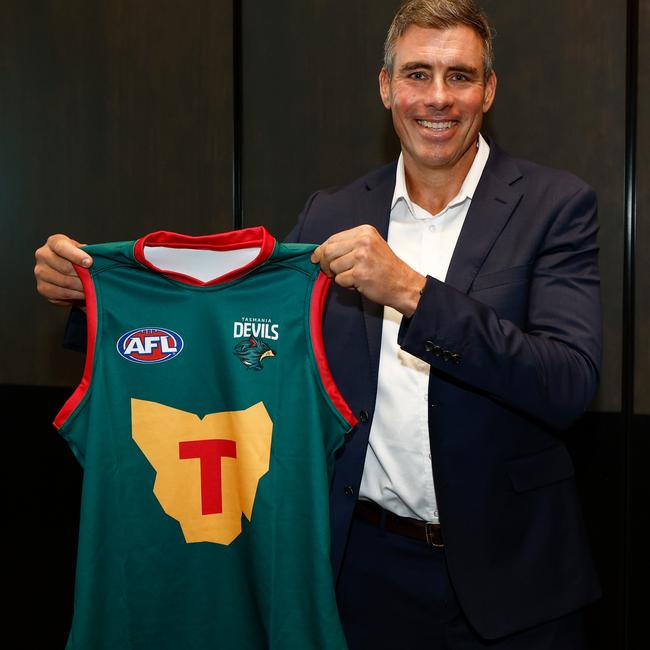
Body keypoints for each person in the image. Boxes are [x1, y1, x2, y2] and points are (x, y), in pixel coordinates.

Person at [34, 1, 602, 648]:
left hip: (513, 583)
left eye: (460, 75)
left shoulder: (555, 205)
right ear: (385, 86)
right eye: (417, 74)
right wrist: (94, 302)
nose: (438, 98)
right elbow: (245, 322)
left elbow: (567, 383)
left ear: (489, 90)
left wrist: (414, 293)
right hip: (358, 573)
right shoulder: (333, 211)